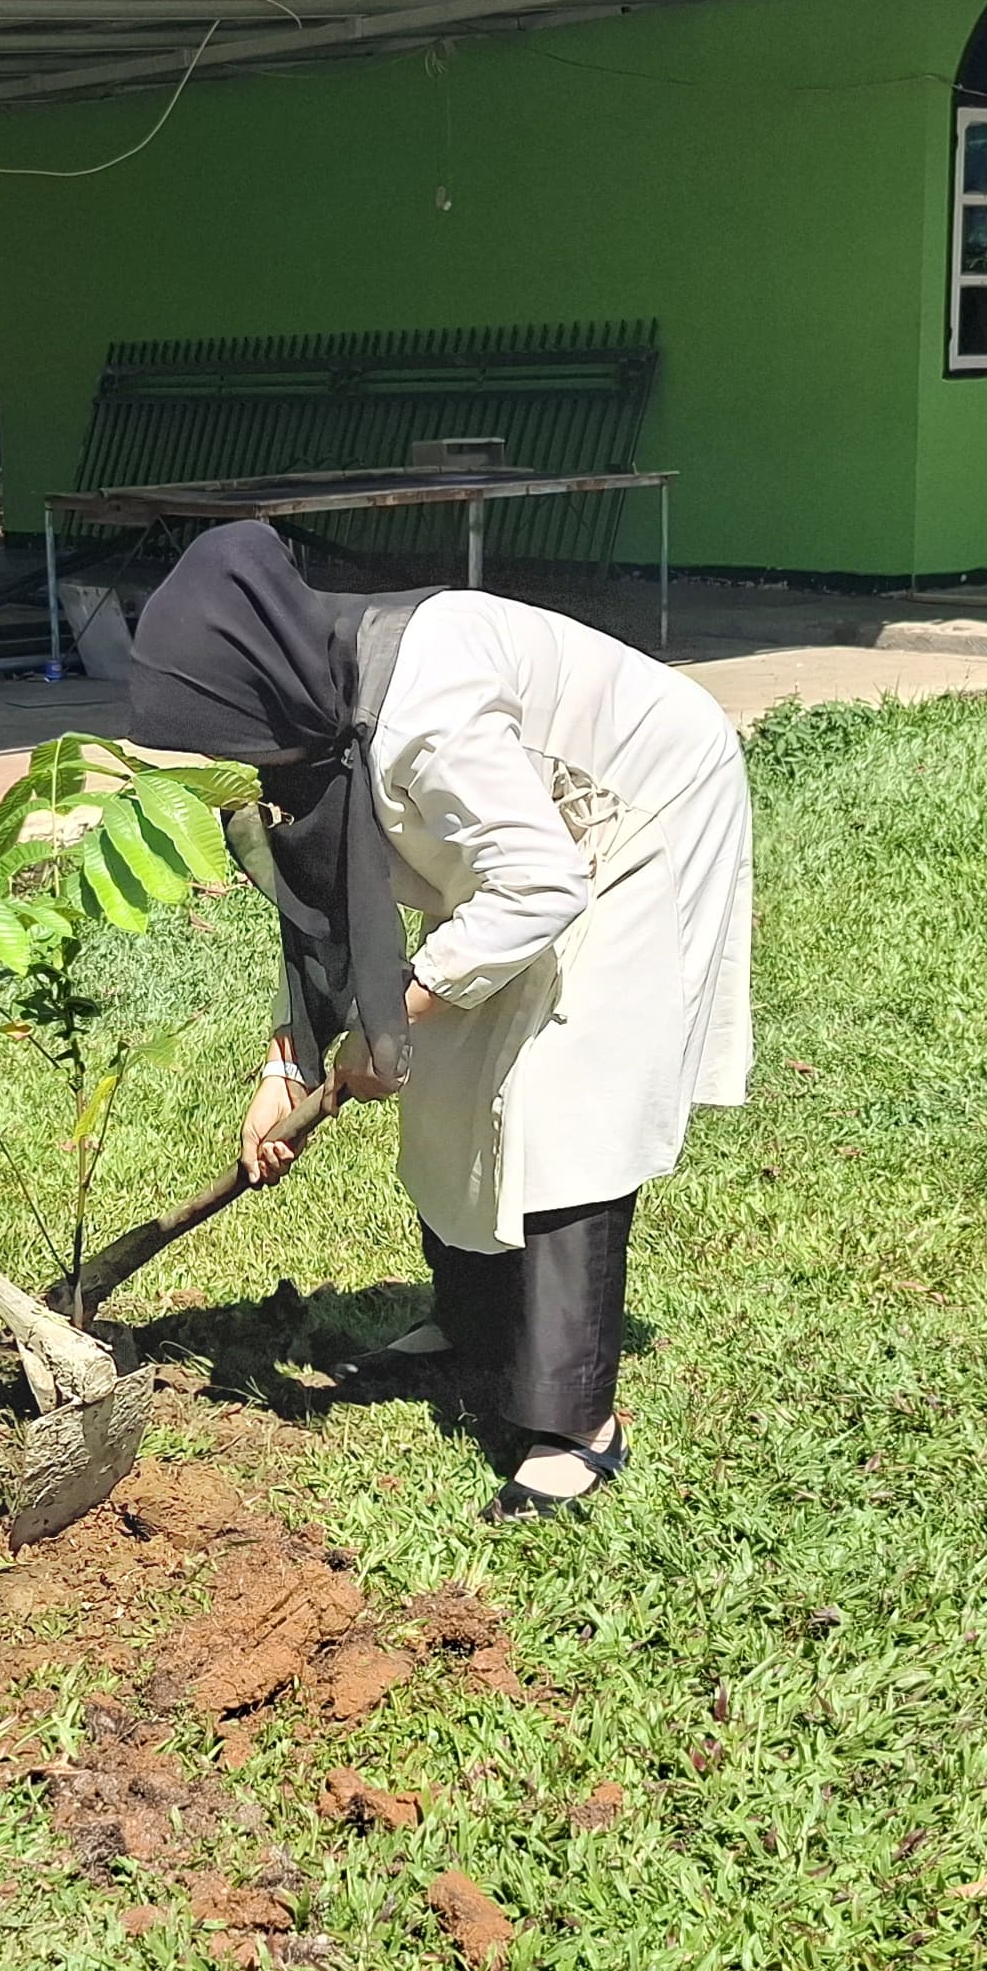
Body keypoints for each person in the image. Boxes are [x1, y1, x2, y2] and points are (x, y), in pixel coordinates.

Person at [125, 522, 753, 1521]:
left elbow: (541, 884)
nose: (224, 754)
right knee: (456, 1077)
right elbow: (324, 911)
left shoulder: (426, 711)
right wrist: (286, 1065)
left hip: (638, 815)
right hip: (530, 844)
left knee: (565, 1099)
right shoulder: (321, 712)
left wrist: (396, 1013)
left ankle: (575, 1426)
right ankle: (470, 1329)